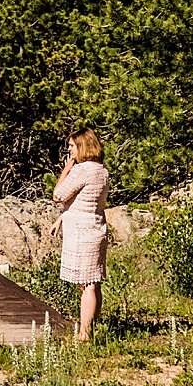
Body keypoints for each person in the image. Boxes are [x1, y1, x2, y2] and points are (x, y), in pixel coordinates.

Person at [53, 127, 110, 341]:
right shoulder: (102, 171)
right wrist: (61, 218)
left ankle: (84, 333)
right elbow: (89, 202)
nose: (69, 150)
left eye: (72, 146)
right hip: (96, 226)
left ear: (82, 146)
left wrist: (66, 169)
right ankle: (91, 326)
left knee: (87, 284)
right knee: (93, 281)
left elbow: (58, 195)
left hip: (81, 231)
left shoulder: (81, 170)